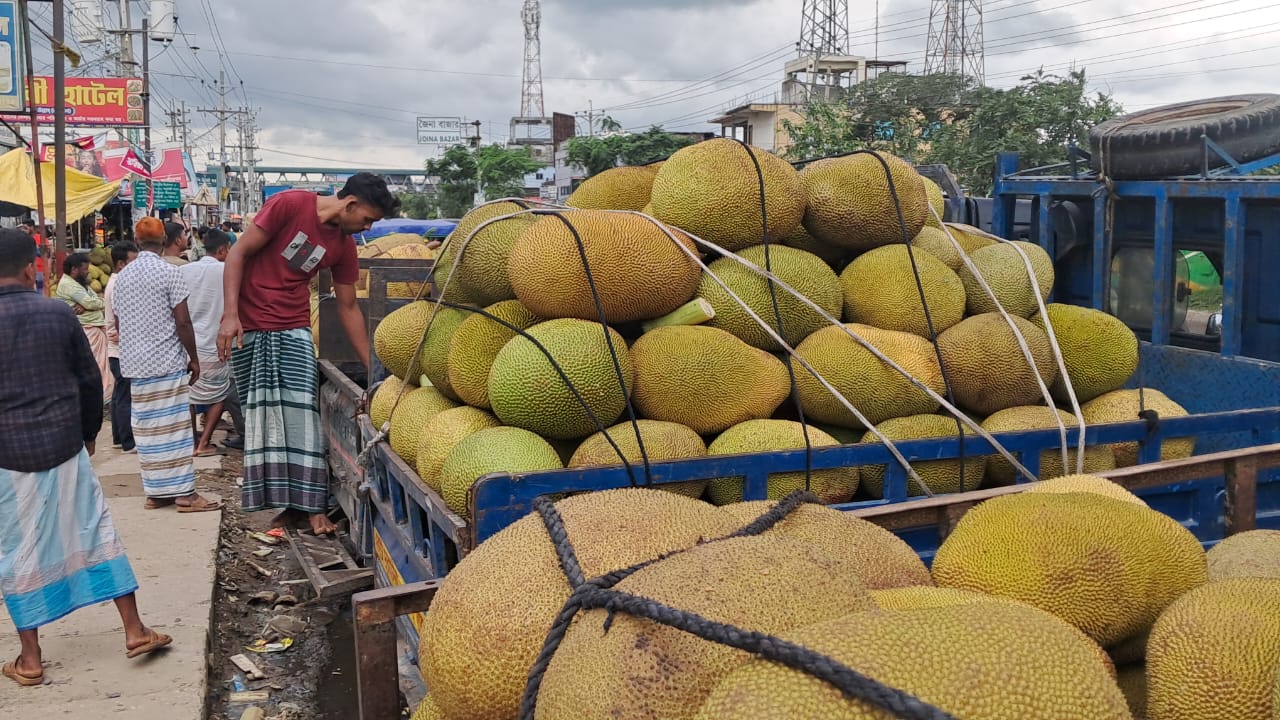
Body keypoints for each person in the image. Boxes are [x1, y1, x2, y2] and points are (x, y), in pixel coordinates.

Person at [0, 228, 171, 687]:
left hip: (7, 456)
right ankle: (134, 630)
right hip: (64, 443)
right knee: (94, 527)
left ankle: (30, 658)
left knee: (16, 550)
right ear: (31, 267)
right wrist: (90, 434)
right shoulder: (58, 313)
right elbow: (89, 380)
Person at [218, 173, 399, 535]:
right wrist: (230, 314)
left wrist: (373, 370)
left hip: (294, 326)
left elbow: (348, 307)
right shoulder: (290, 204)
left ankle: (312, 505)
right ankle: (286, 506)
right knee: (263, 420)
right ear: (350, 205)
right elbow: (238, 252)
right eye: (366, 219)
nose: (366, 227)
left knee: (303, 416)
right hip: (250, 325)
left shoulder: (345, 246)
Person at [113, 217, 221, 513]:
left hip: (136, 366)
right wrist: (194, 358)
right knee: (175, 431)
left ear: (136, 241)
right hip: (166, 363)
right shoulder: (169, 273)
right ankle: (185, 494)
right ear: (163, 242)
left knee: (148, 431)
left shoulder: (122, 277)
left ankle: (156, 493)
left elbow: (119, 323)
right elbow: (183, 321)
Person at [180, 230, 234, 457]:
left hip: (189, 344)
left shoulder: (184, 270)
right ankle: (204, 443)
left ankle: (191, 442)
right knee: (219, 394)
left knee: (189, 394)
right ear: (222, 250)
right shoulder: (227, 271)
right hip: (218, 343)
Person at [56, 252, 113, 404]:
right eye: (84, 269)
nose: (87, 271)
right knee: (98, 365)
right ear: (74, 269)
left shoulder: (79, 284)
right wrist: (97, 303)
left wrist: (92, 303)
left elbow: (92, 301)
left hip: (93, 326)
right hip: (87, 328)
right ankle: (101, 398)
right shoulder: (69, 285)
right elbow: (91, 302)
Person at [104, 242, 139, 452]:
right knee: (125, 396)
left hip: (117, 349)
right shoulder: (119, 286)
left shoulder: (116, 283)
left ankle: (119, 437)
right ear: (120, 264)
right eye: (132, 262)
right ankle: (128, 441)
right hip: (120, 349)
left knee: (119, 395)